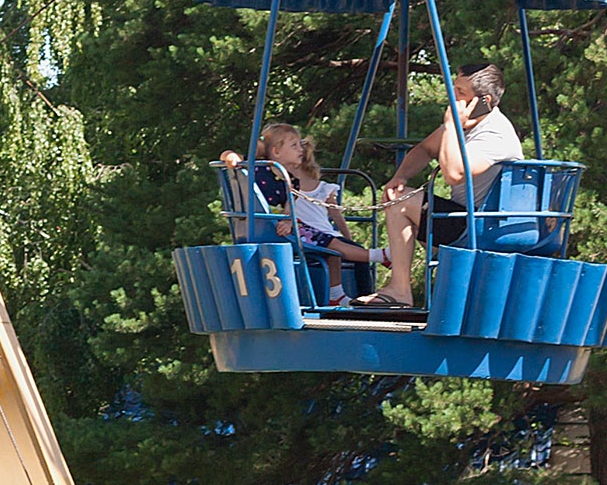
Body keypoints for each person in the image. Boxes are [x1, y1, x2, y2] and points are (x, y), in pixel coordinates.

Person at [356, 62, 523, 308]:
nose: (452, 98)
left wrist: (452, 125)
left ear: (484, 101)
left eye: (460, 93)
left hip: (480, 225)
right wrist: (400, 177)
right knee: (399, 194)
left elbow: (454, 174)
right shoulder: (464, 126)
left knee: (402, 203)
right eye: (453, 90)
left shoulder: (495, 134)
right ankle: (412, 286)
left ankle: (401, 290)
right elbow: (424, 149)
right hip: (462, 219)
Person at [221, 123, 387, 304]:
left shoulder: (290, 179)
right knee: (328, 242)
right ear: (276, 152)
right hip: (268, 228)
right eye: (294, 146)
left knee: (332, 248)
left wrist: (288, 221)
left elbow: (289, 205)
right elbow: (228, 156)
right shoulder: (258, 169)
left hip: (285, 227)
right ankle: (379, 256)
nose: (301, 149)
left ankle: (337, 295)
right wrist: (231, 157)